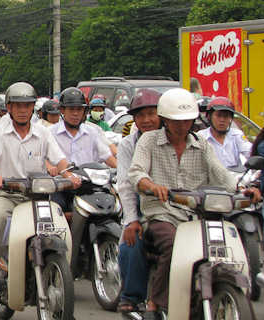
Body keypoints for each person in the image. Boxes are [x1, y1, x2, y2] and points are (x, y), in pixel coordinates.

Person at [127, 88, 261, 318]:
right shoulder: (149, 141)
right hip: (162, 214)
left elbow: (222, 174)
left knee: (220, 247)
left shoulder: (201, 144)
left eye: (187, 120)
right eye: (176, 121)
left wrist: (241, 189)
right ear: (165, 120)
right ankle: (155, 303)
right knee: (172, 244)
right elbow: (136, 173)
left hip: (197, 216)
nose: (182, 126)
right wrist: (151, 185)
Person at [0, 82, 78, 293]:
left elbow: (58, 158)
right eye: (18, 105)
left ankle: (58, 267)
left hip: (37, 196)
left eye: (27, 105)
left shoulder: (43, 133)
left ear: (33, 106)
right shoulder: (0, 132)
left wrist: (69, 175)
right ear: (9, 107)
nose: (23, 110)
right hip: (8, 193)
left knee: (58, 223)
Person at [115, 88, 162, 313]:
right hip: (143, 207)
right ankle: (132, 296)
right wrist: (132, 220)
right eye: (141, 116)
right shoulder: (128, 145)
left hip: (181, 207)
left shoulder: (191, 140)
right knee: (130, 245)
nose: (147, 120)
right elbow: (126, 185)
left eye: (152, 114)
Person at [49, 87, 117, 220]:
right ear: (62, 110)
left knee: (112, 207)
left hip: (89, 186)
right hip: (61, 186)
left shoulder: (93, 132)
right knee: (55, 213)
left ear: (84, 111)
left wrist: (122, 170)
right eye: (71, 109)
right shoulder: (50, 133)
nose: (75, 114)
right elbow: (43, 157)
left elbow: (107, 156)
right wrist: (51, 168)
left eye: (79, 109)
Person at [196, 97, 251, 169]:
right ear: (209, 117)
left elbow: (250, 152)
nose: (222, 120)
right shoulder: (201, 137)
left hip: (236, 178)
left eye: (226, 116)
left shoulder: (237, 135)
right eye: (218, 116)